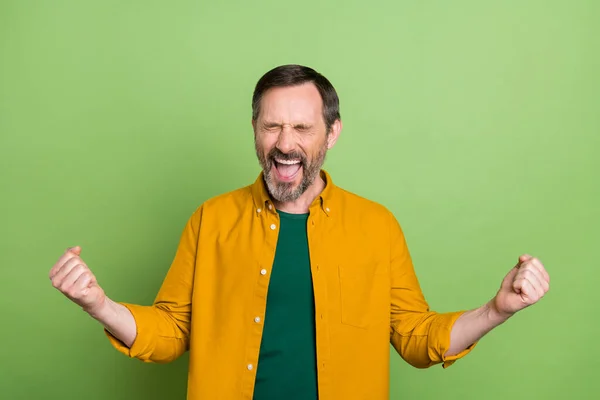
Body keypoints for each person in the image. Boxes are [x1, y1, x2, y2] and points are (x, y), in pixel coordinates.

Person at [49, 64, 550, 400]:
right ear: (254, 129)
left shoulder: (377, 226)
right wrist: (99, 304)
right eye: (271, 127)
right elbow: (171, 331)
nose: (284, 144)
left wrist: (496, 309)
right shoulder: (211, 221)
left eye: (302, 129)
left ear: (331, 133)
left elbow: (418, 338)